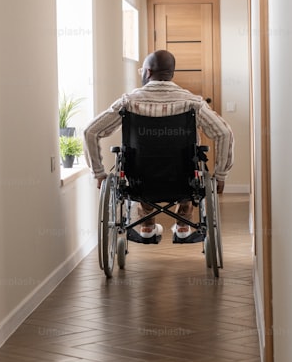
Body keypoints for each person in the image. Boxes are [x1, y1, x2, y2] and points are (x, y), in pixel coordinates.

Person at [83, 50, 234, 244]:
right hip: (182, 179)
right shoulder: (192, 102)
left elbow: (90, 131)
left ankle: (146, 226)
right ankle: (183, 225)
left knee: (141, 165)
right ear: (171, 73)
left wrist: (99, 173)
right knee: (190, 162)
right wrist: (221, 175)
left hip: (140, 180)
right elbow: (224, 133)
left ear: (147, 72)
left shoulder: (128, 102)